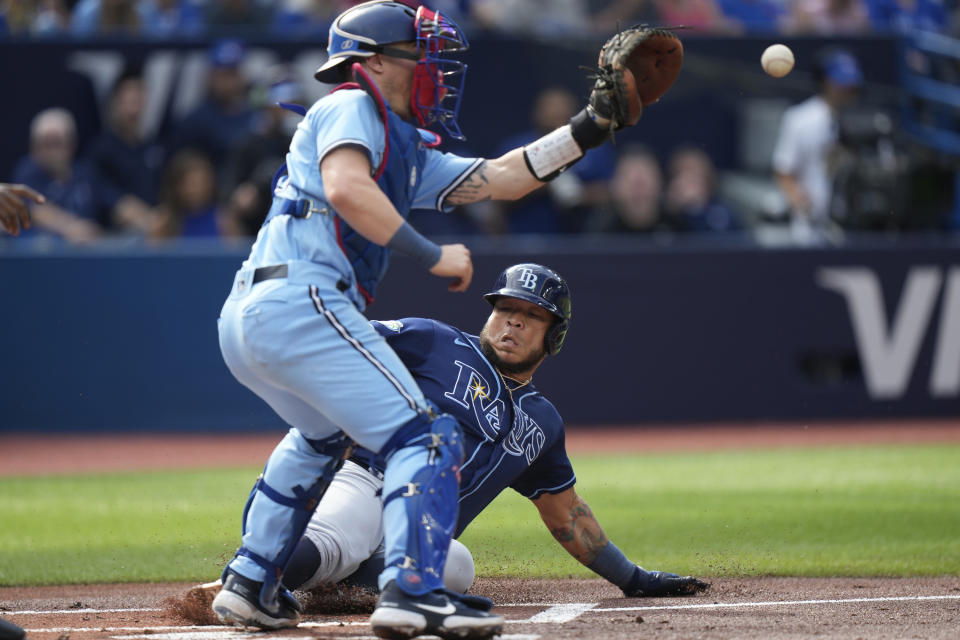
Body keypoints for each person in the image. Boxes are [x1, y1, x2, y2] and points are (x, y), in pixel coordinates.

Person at [211, 1, 645, 638]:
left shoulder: (403, 147)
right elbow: (344, 188)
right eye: (422, 55)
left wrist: (590, 126)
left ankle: (251, 583)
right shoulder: (351, 106)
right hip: (304, 300)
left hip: (254, 313)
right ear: (375, 62)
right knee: (429, 436)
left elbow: (503, 177)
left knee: (322, 438)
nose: (436, 70)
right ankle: (410, 593)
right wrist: (430, 252)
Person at [273, 263, 711, 601]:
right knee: (331, 543)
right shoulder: (435, 341)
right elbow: (344, 340)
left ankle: (333, 585)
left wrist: (634, 579)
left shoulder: (542, 422)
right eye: (506, 309)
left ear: (554, 337)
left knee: (457, 569)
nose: (513, 323)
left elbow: (567, 515)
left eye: (532, 316)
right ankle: (244, 579)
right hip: (370, 483)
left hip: (421, 530)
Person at [771, 49, 863, 244]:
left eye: (850, 84)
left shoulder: (864, 120)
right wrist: (800, 202)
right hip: (812, 227)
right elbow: (783, 170)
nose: (846, 89)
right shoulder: (800, 118)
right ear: (824, 81)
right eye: (840, 83)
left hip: (854, 223)